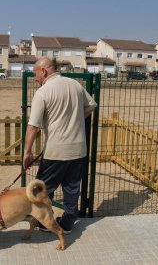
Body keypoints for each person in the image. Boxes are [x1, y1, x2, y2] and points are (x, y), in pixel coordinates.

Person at [23, 57, 97, 233]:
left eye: (35, 74)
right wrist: (77, 118)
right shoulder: (75, 85)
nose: (34, 79)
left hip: (55, 152)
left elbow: (32, 126)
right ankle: (68, 223)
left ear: (44, 71)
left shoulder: (43, 92)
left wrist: (27, 152)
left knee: (43, 189)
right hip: (78, 149)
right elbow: (92, 105)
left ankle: (44, 222)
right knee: (72, 188)